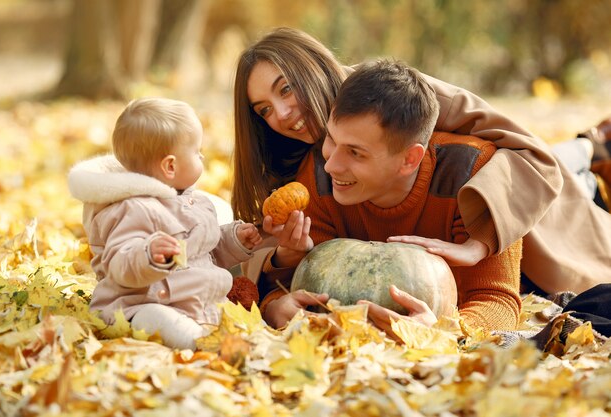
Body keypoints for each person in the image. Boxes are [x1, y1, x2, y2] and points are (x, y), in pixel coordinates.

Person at [232, 27, 611, 303]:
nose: (281, 114)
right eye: (263, 109)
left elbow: (531, 155)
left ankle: (589, 148)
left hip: (529, 208)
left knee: (565, 162)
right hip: (452, 217)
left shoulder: (392, 95)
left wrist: (479, 243)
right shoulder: (294, 156)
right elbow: (264, 253)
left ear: (313, 71)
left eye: (286, 89)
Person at [258, 60, 523, 332]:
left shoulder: (471, 175)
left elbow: (495, 298)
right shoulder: (318, 179)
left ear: (410, 159)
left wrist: (442, 334)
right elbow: (298, 285)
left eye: (355, 152)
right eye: (332, 140)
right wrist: (274, 307)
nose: (331, 166)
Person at [67, 98, 263, 350]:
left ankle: (219, 340)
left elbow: (205, 254)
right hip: (140, 305)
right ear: (170, 166)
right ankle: (200, 344)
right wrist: (149, 255)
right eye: (197, 152)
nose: (202, 156)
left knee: (237, 322)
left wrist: (234, 240)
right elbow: (120, 263)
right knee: (158, 320)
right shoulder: (132, 208)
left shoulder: (196, 203)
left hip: (197, 304)